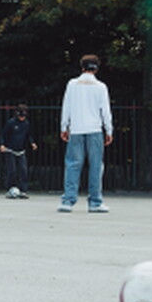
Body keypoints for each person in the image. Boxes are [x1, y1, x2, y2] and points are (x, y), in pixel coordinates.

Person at [59, 54, 113, 213]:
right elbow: (106, 111)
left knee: (73, 165)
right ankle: (95, 202)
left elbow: (66, 106)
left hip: (76, 129)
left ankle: (68, 201)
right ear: (96, 69)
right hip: (95, 129)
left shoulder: (72, 84)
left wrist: (64, 127)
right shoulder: (101, 87)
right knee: (96, 166)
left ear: (82, 68)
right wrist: (109, 130)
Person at [0, 103, 37, 198]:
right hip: (10, 149)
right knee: (12, 170)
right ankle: (9, 189)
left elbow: (29, 135)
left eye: (23, 116)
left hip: (21, 150)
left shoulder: (26, 124)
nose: (22, 118)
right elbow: (3, 134)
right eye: (20, 116)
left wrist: (32, 143)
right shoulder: (11, 123)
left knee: (23, 170)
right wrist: (2, 144)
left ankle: (23, 190)